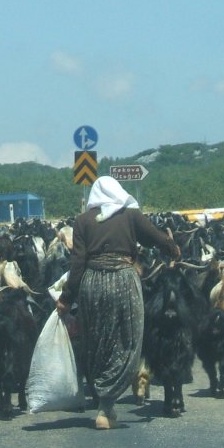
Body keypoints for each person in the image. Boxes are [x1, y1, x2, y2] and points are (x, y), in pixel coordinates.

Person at [54, 176, 180, 429]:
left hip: (93, 284)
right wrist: (172, 247)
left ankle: (104, 404)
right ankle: (108, 404)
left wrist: (66, 298)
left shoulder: (82, 221)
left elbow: (77, 264)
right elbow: (156, 239)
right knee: (127, 338)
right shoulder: (130, 216)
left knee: (97, 340)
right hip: (124, 281)